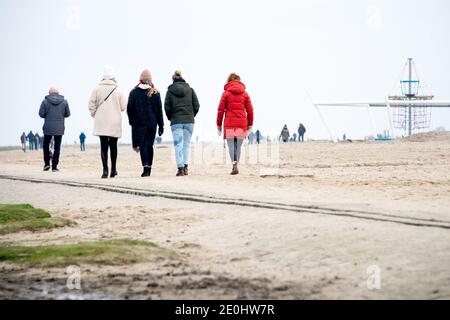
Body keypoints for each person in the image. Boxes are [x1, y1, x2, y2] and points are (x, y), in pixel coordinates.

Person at [89, 66, 126, 178]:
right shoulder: (118, 90)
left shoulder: (96, 89)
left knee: (103, 146)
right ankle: (113, 170)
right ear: (113, 77)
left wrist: (95, 114)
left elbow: (91, 105)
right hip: (114, 121)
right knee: (114, 146)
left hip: (101, 121)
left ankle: (105, 170)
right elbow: (123, 107)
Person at [127, 69, 164, 177]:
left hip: (139, 123)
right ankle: (149, 168)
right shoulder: (155, 93)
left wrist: (131, 121)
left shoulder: (133, 92)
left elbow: (129, 109)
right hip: (152, 124)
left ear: (140, 80)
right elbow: (159, 111)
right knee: (149, 145)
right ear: (150, 80)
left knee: (143, 145)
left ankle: (145, 168)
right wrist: (161, 125)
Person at [216, 73, 254, 175]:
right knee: (238, 146)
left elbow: (220, 110)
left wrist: (218, 125)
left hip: (229, 123)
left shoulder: (226, 94)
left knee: (232, 146)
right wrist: (250, 124)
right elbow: (250, 111)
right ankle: (236, 164)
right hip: (242, 124)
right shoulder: (245, 94)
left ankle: (234, 165)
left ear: (229, 81)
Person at [164, 70, 200, 176]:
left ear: (173, 80)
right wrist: (191, 115)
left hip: (176, 122)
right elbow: (197, 105)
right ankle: (185, 167)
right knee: (186, 145)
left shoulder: (170, 91)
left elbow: (167, 107)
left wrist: (171, 118)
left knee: (178, 145)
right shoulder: (190, 90)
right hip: (189, 121)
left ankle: (180, 168)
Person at [39, 87, 71, 171]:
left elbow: (41, 114)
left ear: (49, 93)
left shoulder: (45, 101)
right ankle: (54, 166)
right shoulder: (64, 102)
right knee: (57, 147)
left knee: (45, 145)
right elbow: (68, 114)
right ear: (58, 93)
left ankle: (46, 164)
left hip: (48, 127)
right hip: (59, 128)